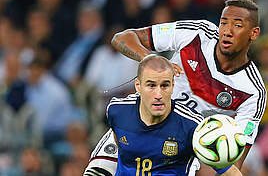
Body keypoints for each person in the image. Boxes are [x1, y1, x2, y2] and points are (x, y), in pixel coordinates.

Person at [85, 0, 266, 175]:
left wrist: (213, 155)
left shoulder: (253, 92)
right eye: (223, 23)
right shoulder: (197, 33)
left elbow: (235, 158)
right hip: (136, 124)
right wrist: (152, 59)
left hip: (177, 153)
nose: (227, 31)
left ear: (254, 33)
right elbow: (122, 38)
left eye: (237, 25)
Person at [84, 55, 242, 175]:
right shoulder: (117, 111)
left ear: (173, 86)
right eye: (151, 85)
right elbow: (117, 145)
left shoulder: (192, 126)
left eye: (165, 85)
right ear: (138, 86)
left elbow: (230, 172)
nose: (158, 94)